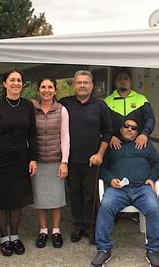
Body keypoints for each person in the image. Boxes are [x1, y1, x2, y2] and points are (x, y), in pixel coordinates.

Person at [91, 119, 159, 267]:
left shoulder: (145, 145)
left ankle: (153, 250)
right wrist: (110, 180)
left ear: (137, 132)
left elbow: (156, 164)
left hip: (142, 188)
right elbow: (103, 168)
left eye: (133, 128)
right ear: (120, 129)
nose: (129, 129)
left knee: (154, 208)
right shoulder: (113, 145)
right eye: (126, 126)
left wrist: (152, 179)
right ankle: (104, 249)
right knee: (105, 207)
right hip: (118, 189)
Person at [0, 68, 38, 256]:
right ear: (5, 84)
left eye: (19, 80)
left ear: (22, 84)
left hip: (21, 159)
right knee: (1, 200)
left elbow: (32, 134)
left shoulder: (27, 106)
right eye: (12, 80)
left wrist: (33, 158)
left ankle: (14, 237)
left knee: (16, 200)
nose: (16, 83)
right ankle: (4, 238)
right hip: (0, 160)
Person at [59, 70, 113, 243]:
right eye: (79, 82)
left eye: (86, 82)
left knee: (91, 195)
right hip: (71, 160)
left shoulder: (100, 105)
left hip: (93, 160)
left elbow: (108, 132)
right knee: (74, 194)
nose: (82, 85)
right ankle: (77, 226)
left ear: (92, 85)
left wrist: (100, 154)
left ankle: (90, 226)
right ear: (74, 85)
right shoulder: (64, 104)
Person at [32, 78, 70, 249]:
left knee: (56, 198)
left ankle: (56, 230)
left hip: (56, 160)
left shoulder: (62, 110)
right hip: (38, 161)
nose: (46, 90)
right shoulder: (31, 110)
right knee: (39, 198)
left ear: (55, 91)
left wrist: (64, 161)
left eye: (50, 87)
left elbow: (65, 137)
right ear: (38, 90)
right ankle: (43, 230)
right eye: (43, 87)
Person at [104, 68, 155, 150]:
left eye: (126, 78)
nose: (123, 81)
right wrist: (109, 137)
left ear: (130, 81)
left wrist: (144, 134)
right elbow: (102, 123)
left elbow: (150, 119)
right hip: (113, 146)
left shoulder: (141, 99)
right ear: (115, 82)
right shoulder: (107, 101)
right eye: (120, 78)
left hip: (137, 145)